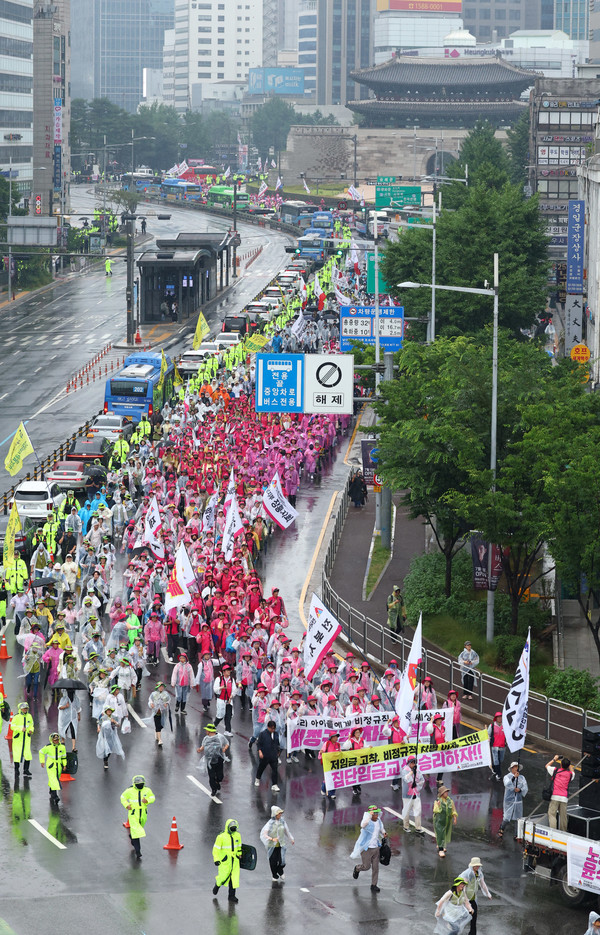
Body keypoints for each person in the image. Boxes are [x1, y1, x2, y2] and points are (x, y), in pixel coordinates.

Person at [350, 805, 387, 893]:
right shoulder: (367, 822)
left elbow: (381, 828)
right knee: (366, 867)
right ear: (370, 814)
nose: (376, 815)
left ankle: (374, 885)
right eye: (374, 814)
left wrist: (384, 833)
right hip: (366, 849)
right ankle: (357, 868)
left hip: (376, 848)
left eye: (377, 813)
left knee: (375, 868)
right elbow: (363, 825)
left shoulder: (378, 821)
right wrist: (368, 816)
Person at [120, 774, 155, 859]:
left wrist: (147, 800)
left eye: (141, 783)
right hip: (133, 814)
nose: (140, 784)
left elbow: (152, 797)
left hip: (143, 814)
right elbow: (123, 797)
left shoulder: (147, 790)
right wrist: (127, 805)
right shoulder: (129, 790)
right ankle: (138, 850)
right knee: (137, 831)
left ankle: (132, 837)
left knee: (138, 829)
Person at [260, 805, 295, 882]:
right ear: (275, 814)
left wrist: (291, 838)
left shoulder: (282, 821)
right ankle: (274, 875)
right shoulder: (270, 823)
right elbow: (264, 834)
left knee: (282, 861)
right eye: (279, 813)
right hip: (271, 845)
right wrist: (272, 839)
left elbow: (286, 831)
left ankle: (280, 870)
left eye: (281, 813)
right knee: (273, 861)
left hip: (280, 845)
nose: (280, 815)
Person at [212, 818, 242, 903]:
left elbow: (239, 846)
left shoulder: (237, 835)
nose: (234, 829)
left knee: (234, 878)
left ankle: (231, 896)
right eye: (232, 828)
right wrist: (216, 859)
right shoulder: (221, 837)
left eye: (235, 828)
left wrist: (239, 853)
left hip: (235, 861)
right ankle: (217, 884)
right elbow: (216, 849)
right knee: (223, 876)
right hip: (225, 861)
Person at [459, 857, 492, 935]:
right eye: (475, 865)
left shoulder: (479, 873)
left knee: (474, 916)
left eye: (478, 865)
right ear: (472, 865)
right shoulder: (468, 874)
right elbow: (463, 887)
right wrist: (465, 899)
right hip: (465, 898)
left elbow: (482, 884)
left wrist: (488, 894)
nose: (477, 867)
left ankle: (472, 933)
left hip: (472, 898)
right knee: (461, 916)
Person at [197, 723, 229, 799]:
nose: (206, 731)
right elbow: (203, 746)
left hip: (219, 759)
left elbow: (227, 743)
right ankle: (213, 789)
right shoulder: (206, 738)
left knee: (220, 776)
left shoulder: (220, 737)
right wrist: (200, 749)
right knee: (211, 776)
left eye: (207, 730)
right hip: (209, 760)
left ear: (210, 731)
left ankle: (217, 781)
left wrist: (224, 749)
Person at [499, 761, 528, 838]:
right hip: (509, 800)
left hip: (518, 801)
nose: (516, 769)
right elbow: (507, 784)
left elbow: (525, 787)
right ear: (512, 768)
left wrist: (520, 790)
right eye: (515, 767)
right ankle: (501, 830)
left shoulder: (522, 778)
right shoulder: (507, 777)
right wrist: (514, 777)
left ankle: (516, 834)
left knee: (517, 818)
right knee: (507, 817)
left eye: (517, 767)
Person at [546, 754, 575, 831]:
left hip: (555, 796)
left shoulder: (555, 771)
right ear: (568, 765)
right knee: (563, 816)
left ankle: (553, 831)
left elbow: (547, 765)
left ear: (560, 764)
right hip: (564, 798)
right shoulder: (570, 775)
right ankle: (563, 832)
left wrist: (554, 759)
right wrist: (569, 763)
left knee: (552, 814)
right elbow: (572, 771)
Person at [39, 732, 67, 804]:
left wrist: (64, 765)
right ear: (51, 740)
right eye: (55, 740)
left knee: (55, 779)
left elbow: (64, 757)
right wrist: (42, 761)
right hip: (51, 766)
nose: (56, 741)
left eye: (57, 740)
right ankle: (55, 796)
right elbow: (41, 752)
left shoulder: (62, 747)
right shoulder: (48, 747)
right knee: (54, 780)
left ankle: (51, 790)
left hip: (59, 767)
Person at [254, 719, 280, 792]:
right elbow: (259, 744)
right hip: (265, 755)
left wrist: (278, 751)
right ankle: (257, 778)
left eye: (274, 728)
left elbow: (277, 743)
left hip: (273, 755)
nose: (273, 730)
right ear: (268, 727)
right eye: (272, 728)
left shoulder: (276, 734)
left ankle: (274, 784)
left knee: (275, 770)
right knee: (261, 768)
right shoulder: (263, 734)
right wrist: (260, 752)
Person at [401, 755, 425, 834]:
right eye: (412, 762)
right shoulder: (404, 770)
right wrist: (412, 773)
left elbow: (422, 780)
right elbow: (406, 779)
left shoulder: (417, 771)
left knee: (418, 810)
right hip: (407, 795)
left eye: (414, 762)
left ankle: (418, 827)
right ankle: (406, 826)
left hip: (416, 794)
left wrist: (417, 784)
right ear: (408, 763)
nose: (413, 764)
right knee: (406, 811)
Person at [433, 784, 457, 858]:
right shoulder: (437, 801)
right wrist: (439, 806)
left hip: (447, 821)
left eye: (447, 792)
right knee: (440, 834)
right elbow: (435, 810)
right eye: (445, 792)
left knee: (445, 834)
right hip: (439, 821)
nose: (447, 793)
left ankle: (442, 845)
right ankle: (441, 849)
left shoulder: (450, 801)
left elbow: (453, 810)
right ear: (442, 794)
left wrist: (454, 817)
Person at [12, 701, 34, 780]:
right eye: (24, 708)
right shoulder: (16, 717)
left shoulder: (29, 716)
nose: (25, 710)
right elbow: (12, 726)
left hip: (26, 739)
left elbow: (31, 725)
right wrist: (20, 729)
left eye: (26, 708)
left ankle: (26, 770)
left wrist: (31, 730)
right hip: (18, 739)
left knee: (27, 755)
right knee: (17, 755)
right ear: (20, 709)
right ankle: (16, 769)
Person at [148, 680, 170, 747]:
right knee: (158, 725)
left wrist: (167, 703)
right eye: (160, 687)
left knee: (161, 725)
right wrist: (151, 704)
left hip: (163, 712)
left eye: (162, 686)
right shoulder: (153, 694)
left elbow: (169, 699)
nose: (161, 688)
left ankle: (157, 733)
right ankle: (160, 739)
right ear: (157, 687)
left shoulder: (166, 694)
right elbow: (150, 700)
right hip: (156, 712)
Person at [487, 712, 506, 782]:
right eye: (498, 717)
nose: (500, 718)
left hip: (502, 746)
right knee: (496, 760)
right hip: (494, 746)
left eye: (501, 717)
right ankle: (499, 774)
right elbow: (488, 734)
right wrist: (488, 739)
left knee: (501, 759)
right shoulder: (492, 726)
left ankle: (495, 769)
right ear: (496, 718)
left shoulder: (505, 726)